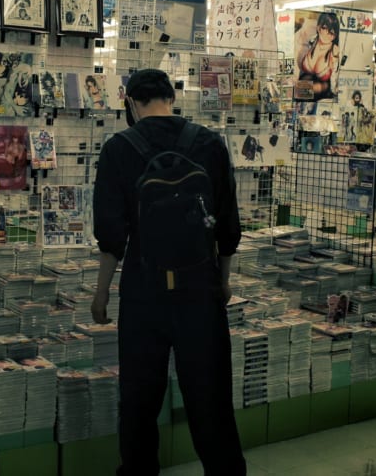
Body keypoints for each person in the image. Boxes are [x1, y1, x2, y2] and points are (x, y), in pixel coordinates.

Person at [91, 69, 245, 476]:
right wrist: (223, 281)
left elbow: (111, 235)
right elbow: (228, 226)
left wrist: (102, 293)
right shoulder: (209, 143)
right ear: (171, 99)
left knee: (139, 403)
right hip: (200, 292)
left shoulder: (118, 150)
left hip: (144, 293)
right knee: (211, 400)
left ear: (131, 102)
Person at [297, 12, 341, 100]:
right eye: (324, 28)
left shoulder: (335, 50)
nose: (327, 34)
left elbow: (335, 78)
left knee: (299, 90)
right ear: (318, 28)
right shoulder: (312, 41)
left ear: (335, 35)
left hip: (323, 94)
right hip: (303, 90)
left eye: (331, 32)